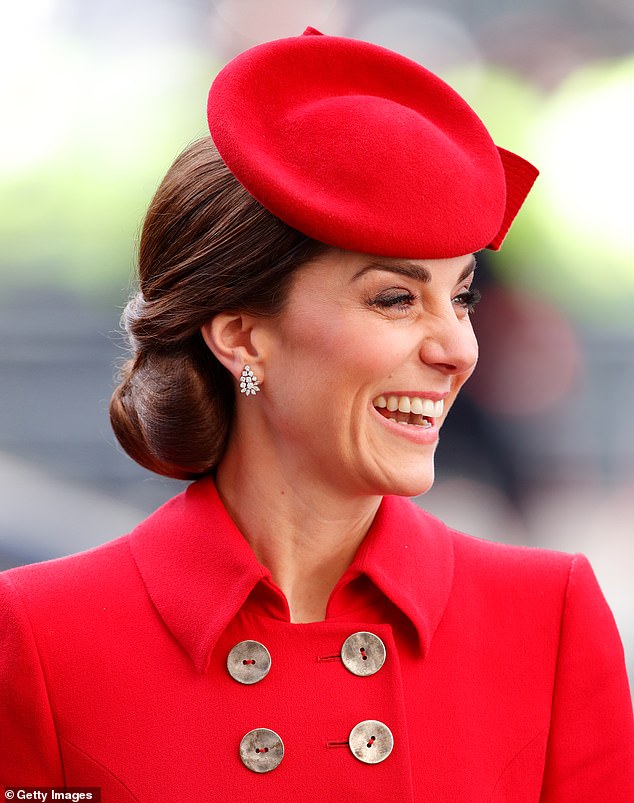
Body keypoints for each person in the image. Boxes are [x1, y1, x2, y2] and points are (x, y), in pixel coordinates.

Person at [1, 27, 633, 802]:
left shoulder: (549, 619)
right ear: (242, 336)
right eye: (395, 298)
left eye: (461, 296)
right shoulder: (39, 635)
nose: (459, 348)